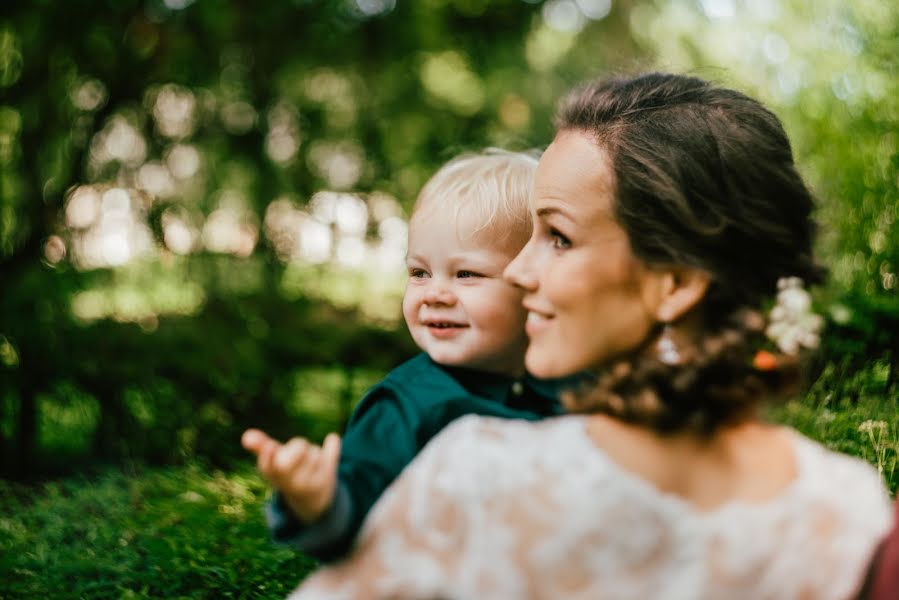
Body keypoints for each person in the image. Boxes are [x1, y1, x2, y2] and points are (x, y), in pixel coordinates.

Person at [290, 73, 895, 599]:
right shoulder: (847, 510)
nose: (520, 272)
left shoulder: (478, 475)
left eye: (558, 237)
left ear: (675, 283)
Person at [242, 150, 569, 562]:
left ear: (535, 281)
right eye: (419, 273)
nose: (434, 294)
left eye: (466, 274)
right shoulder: (406, 404)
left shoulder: (569, 379)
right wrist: (318, 500)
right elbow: (358, 505)